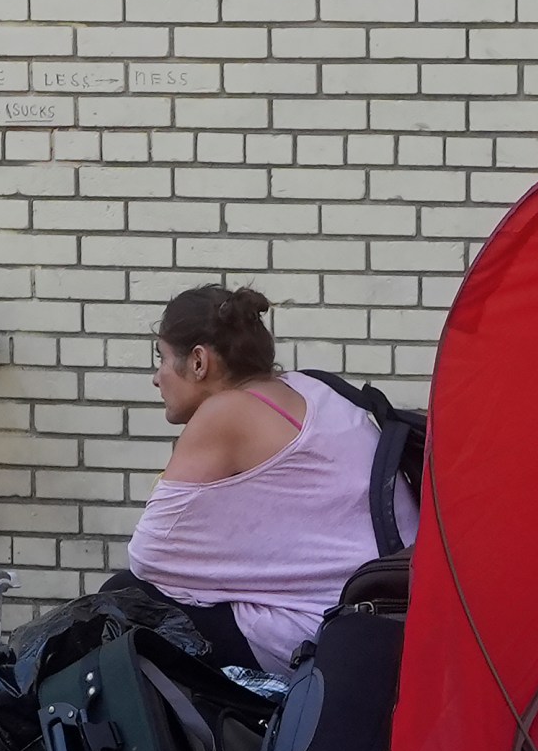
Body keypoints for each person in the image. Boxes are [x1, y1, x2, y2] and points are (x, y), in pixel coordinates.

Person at [108, 283, 391, 674]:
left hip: (317, 630)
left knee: (121, 599)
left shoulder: (226, 413)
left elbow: (149, 557)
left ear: (198, 362)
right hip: (381, 613)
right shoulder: (307, 386)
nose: (157, 378)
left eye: (161, 359)